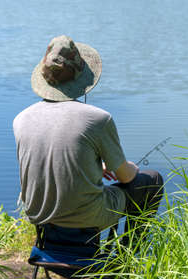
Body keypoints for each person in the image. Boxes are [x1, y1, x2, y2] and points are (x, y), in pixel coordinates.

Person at [13, 35, 163, 244]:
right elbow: (126, 178)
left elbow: (49, 159)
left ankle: (52, 245)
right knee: (152, 180)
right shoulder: (98, 119)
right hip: (86, 217)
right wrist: (131, 168)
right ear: (79, 78)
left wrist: (91, 166)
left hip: (39, 215)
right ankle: (124, 261)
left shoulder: (21, 119)